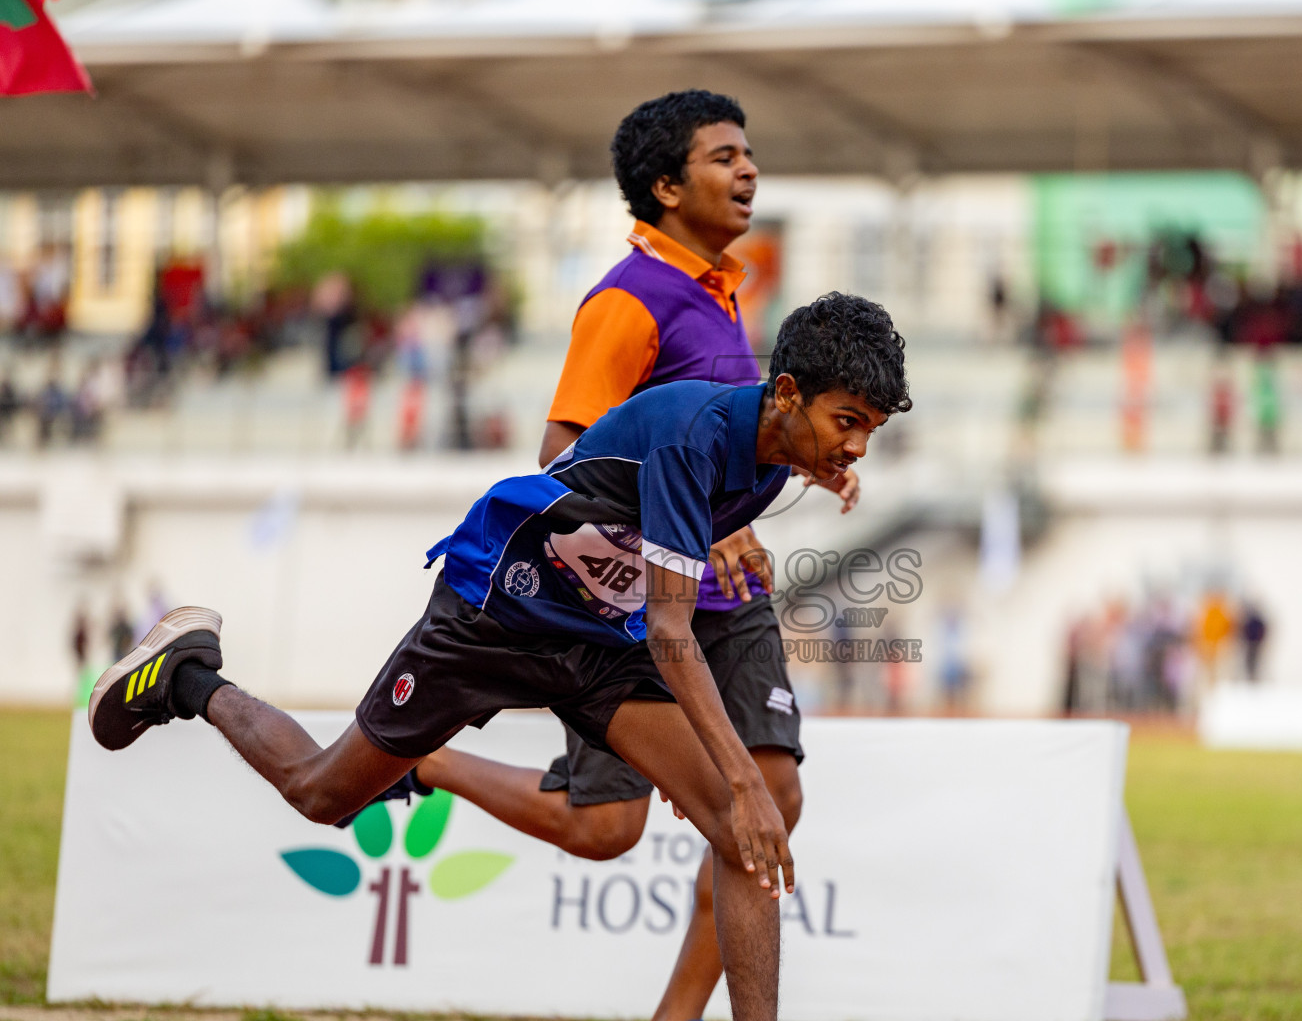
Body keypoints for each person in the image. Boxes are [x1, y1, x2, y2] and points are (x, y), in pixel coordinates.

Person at [89, 291, 911, 1021]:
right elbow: (671, 628)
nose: (858, 451)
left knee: (740, 832)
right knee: (322, 794)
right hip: (495, 612)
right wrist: (735, 771)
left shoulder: (775, 461)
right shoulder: (694, 434)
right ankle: (189, 674)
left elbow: (655, 608)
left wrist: (719, 776)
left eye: (871, 431)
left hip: (594, 640)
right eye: (848, 424)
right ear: (789, 393)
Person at [405, 90, 855, 1021]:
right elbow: (561, 456)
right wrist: (703, 525)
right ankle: (432, 762)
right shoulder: (626, 301)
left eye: (749, 152)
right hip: (640, 607)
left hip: (733, 602)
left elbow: (730, 447)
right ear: (663, 185)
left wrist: (770, 499)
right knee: (607, 828)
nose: (748, 169)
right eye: (723, 156)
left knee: (771, 797)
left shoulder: (724, 293)